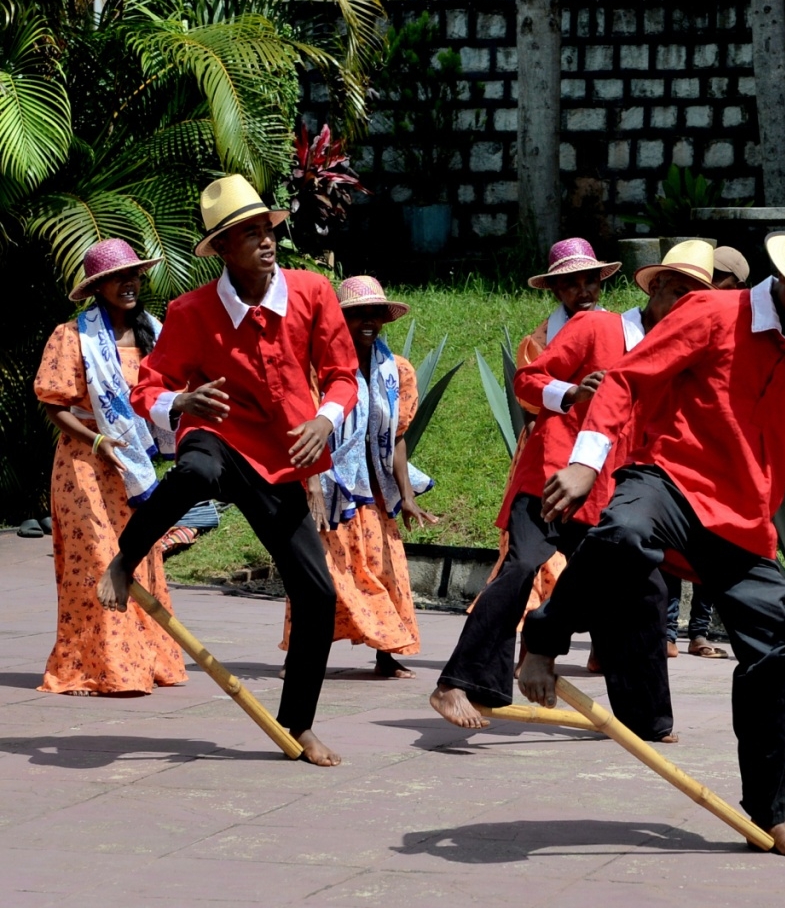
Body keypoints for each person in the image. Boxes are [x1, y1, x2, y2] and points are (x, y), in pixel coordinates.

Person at [519, 210, 785, 857]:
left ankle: (766, 814)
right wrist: (584, 459)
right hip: (668, 478)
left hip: (743, 522)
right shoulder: (712, 313)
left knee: (773, 651)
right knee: (623, 533)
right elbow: (628, 380)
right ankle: (543, 637)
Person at [97, 174, 359, 766]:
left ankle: (300, 724)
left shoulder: (313, 292)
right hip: (214, 436)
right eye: (248, 234)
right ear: (222, 250)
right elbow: (150, 387)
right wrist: (180, 404)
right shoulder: (191, 311)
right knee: (193, 475)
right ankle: (124, 558)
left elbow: (343, 375)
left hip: (283, 457)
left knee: (318, 597)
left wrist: (325, 417)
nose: (265, 241)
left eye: (266, 228)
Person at [430, 242, 715, 737]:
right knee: (523, 563)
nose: (688, 304)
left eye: (699, 297)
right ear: (658, 287)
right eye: (681, 291)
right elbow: (527, 381)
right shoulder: (597, 326)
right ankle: (455, 681)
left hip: (612, 494)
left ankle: (646, 716)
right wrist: (572, 392)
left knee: (645, 588)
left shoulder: (681, 353)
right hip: (553, 474)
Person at [34, 239, 187, 696]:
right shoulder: (72, 336)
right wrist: (97, 439)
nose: (128, 284)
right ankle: (96, 666)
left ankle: (146, 658)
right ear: (98, 288)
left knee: (139, 557)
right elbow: (53, 404)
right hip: (85, 465)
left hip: (135, 467)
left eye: (134, 276)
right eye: (116, 279)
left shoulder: (155, 335)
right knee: (96, 559)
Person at [473, 239, 621, 668]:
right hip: (548, 457)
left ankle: (599, 653)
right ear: (555, 290)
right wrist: (571, 393)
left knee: (602, 567)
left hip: (601, 463)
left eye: (589, 280)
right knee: (525, 564)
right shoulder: (537, 341)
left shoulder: (615, 329)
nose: (583, 292)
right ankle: (512, 658)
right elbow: (528, 392)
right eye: (571, 284)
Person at [280, 277, 438, 679]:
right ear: (339, 320)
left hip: (377, 491)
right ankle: (300, 656)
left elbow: (397, 436)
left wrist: (407, 496)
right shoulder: (320, 368)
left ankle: (387, 654)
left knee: (386, 574)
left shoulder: (395, 369)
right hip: (332, 488)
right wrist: (311, 484)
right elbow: (304, 427)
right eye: (357, 314)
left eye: (375, 314)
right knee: (322, 574)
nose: (368, 322)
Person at [664, 245, 755, 661]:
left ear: (738, 287)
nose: (711, 287)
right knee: (666, 545)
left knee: (710, 549)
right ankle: (665, 630)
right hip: (678, 449)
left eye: (721, 281)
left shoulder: (743, 325)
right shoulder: (677, 315)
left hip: (724, 456)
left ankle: (699, 632)